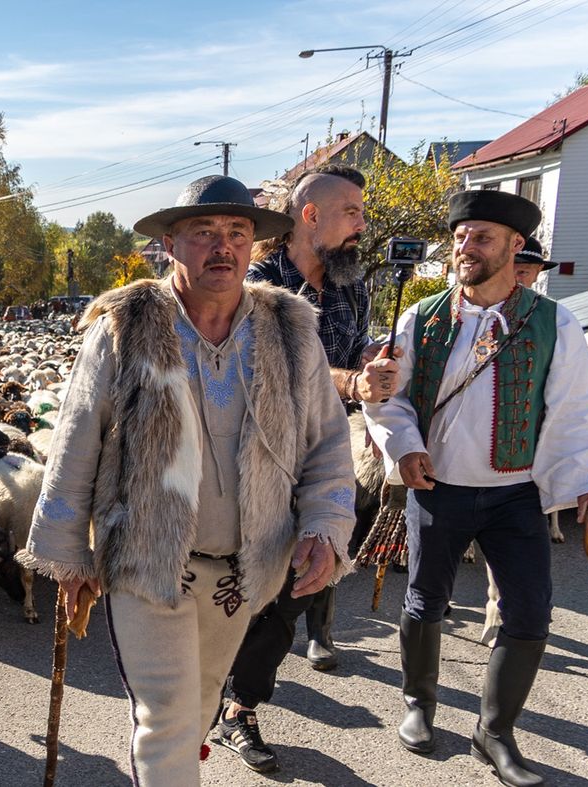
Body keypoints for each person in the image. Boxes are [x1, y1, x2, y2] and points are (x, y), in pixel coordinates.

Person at [19, 175, 355, 786]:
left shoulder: (288, 329)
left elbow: (329, 441)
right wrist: (69, 559)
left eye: (237, 233)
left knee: (197, 712)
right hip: (147, 560)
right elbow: (75, 441)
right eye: (204, 233)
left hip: (242, 569)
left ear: (255, 245)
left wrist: (327, 524)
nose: (222, 247)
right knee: (168, 716)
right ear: (171, 242)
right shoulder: (125, 327)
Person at [364, 190, 588, 787]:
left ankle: (494, 733)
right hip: (436, 489)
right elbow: (387, 396)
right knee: (425, 601)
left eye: (482, 238)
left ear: (515, 246)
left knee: (529, 615)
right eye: (461, 236)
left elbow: (577, 410)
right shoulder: (421, 316)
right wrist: (404, 447)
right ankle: (419, 704)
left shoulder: (555, 322)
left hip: (516, 496)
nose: (466, 248)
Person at [213, 165, 399, 772]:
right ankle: (208, 685)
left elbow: (349, 358)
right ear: (311, 215)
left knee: (294, 588)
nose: (362, 226)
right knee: (239, 586)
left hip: (322, 459)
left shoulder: (352, 286)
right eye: (352, 213)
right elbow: (272, 375)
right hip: (253, 464)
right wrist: (351, 380)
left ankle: (240, 701)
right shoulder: (260, 283)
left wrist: (371, 363)